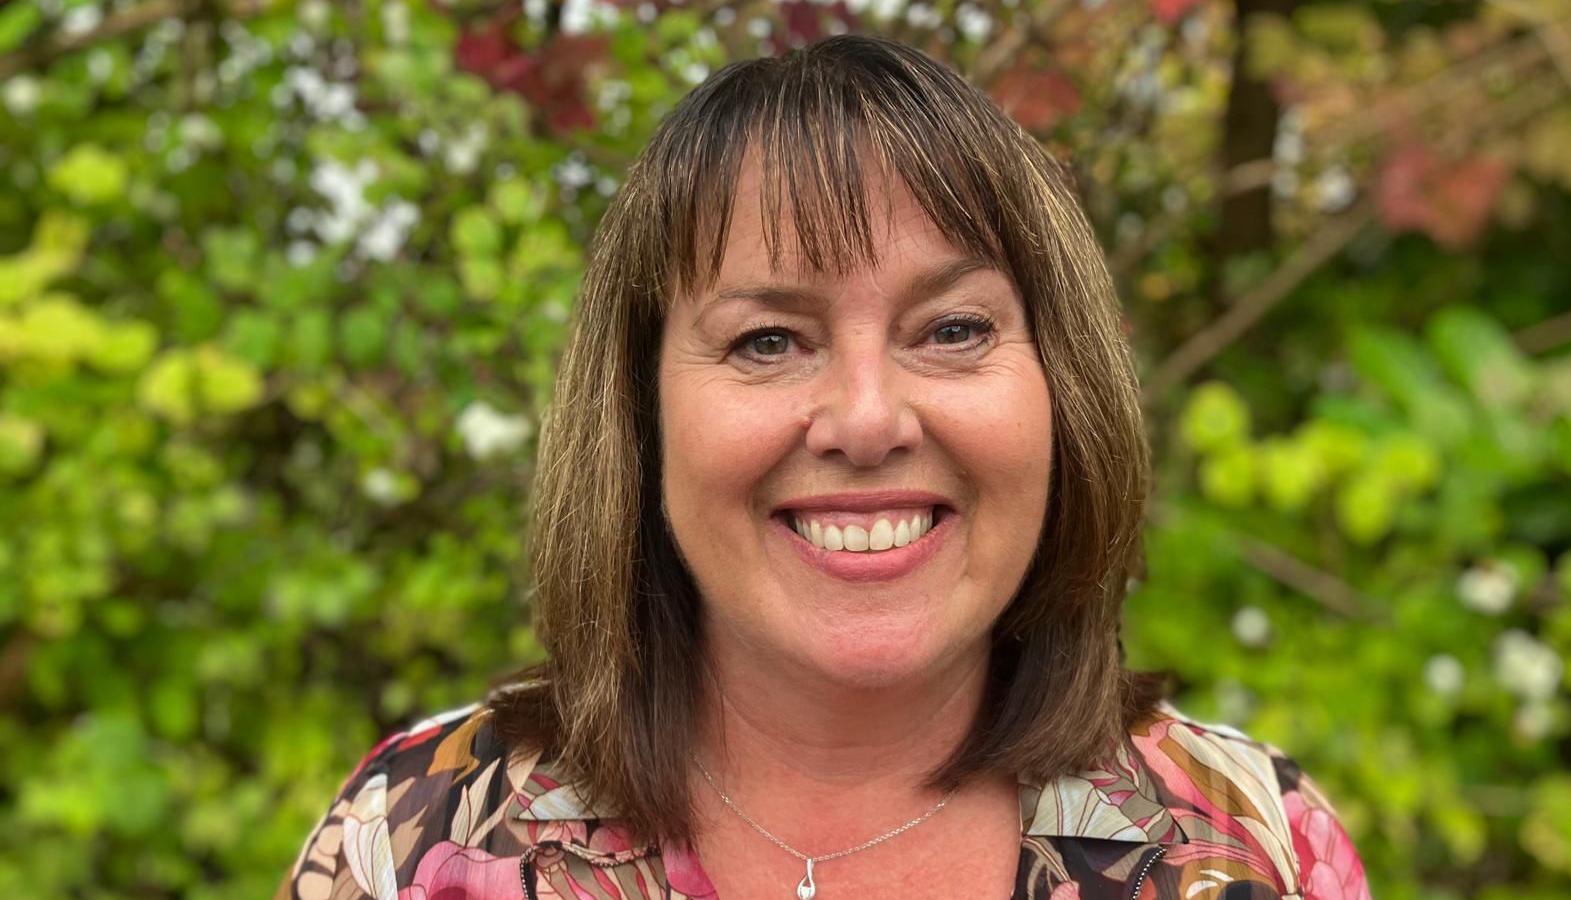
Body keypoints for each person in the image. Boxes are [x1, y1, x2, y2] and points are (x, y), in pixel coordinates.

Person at [278, 34, 1371, 900]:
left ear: (1062, 386)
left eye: (950, 330)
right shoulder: (419, 844)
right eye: (767, 340)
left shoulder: (1248, 847)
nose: (864, 418)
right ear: (641, 412)